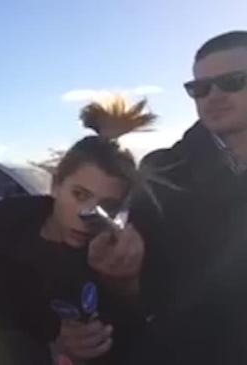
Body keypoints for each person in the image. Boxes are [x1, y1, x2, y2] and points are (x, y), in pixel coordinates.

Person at [0, 96, 152, 365]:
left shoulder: (115, 259)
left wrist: (125, 287)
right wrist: (48, 346)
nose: (87, 215)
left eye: (107, 206)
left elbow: (137, 335)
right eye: (80, 195)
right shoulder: (2, 227)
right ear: (56, 185)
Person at [129, 30, 247, 364]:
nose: (213, 96)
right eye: (199, 88)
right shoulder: (162, 171)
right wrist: (119, 274)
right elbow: (140, 291)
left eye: (233, 81)